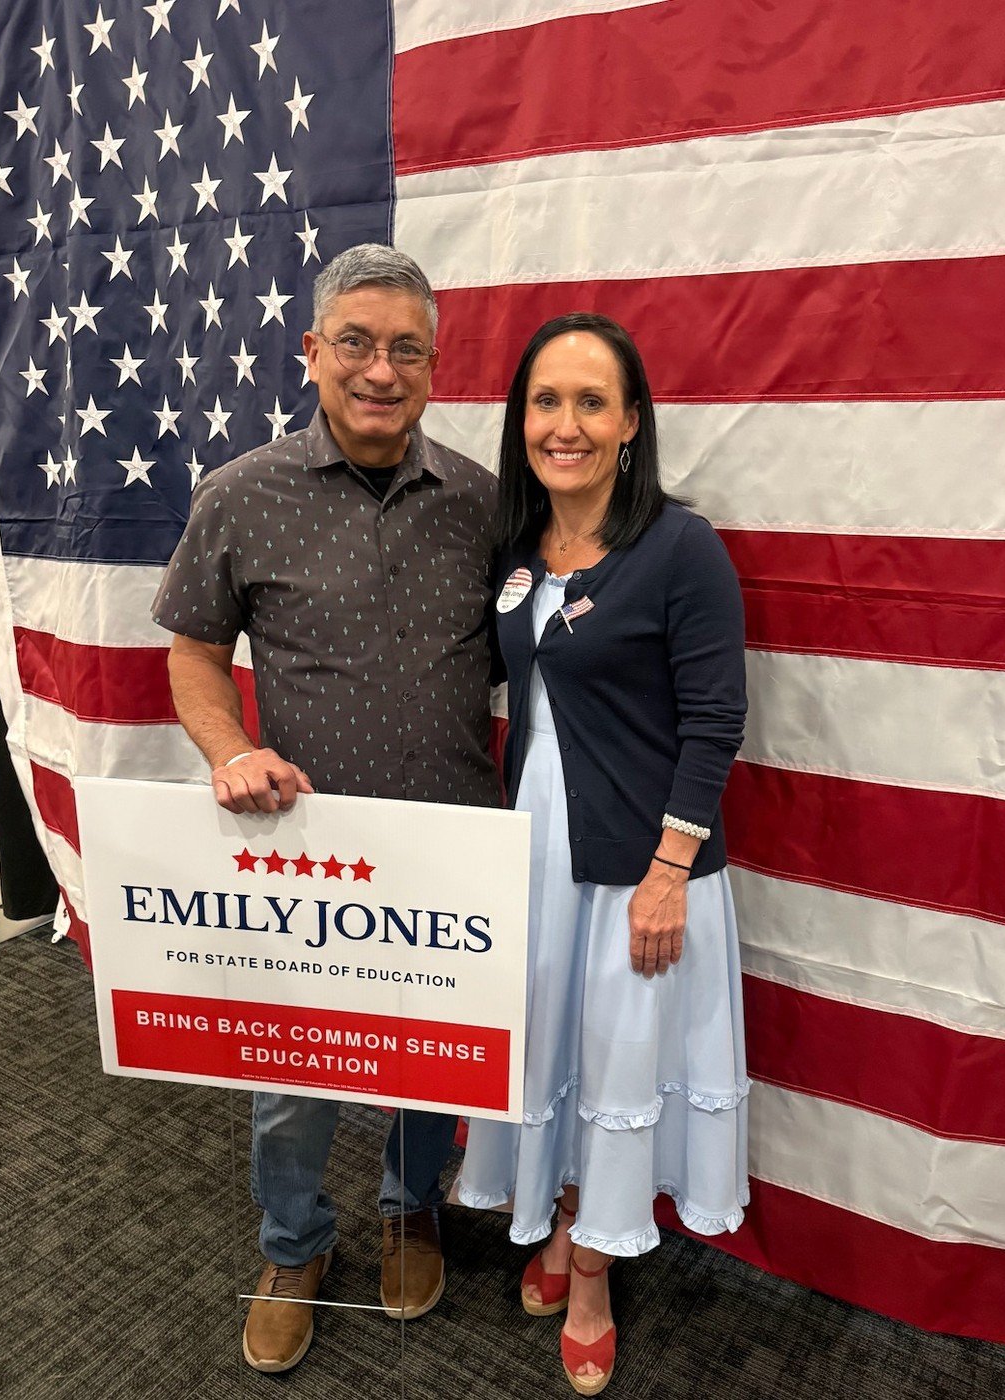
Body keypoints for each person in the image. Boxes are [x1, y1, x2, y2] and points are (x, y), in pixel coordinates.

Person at [153, 244, 501, 1372]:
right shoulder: (239, 494)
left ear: (434, 368)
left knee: (425, 1056)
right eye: (355, 340)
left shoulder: (483, 506)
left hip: (449, 842)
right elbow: (196, 654)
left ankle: (409, 1207)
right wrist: (229, 747)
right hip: (302, 862)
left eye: (406, 347)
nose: (379, 368)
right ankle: (291, 1239)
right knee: (294, 1067)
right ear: (311, 352)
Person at [458, 313, 749, 1395]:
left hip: (639, 863)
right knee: (548, 1047)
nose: (563, 423)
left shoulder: (679, 547)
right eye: (544, 401)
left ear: (631, 422)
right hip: (533, 848)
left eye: (589, 402)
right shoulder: (514, 549)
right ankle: (560, 1206)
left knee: (621, 1060)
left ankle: (589, 1270)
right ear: (518, 419)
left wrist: (668, 870)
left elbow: (716, 718)